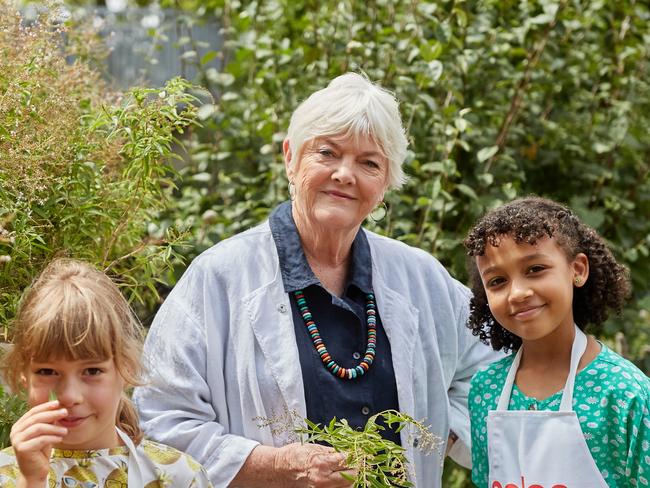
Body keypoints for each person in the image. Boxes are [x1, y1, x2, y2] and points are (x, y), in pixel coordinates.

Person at [133, 72, 501, 488]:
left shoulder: (421, 277)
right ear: (290, 157)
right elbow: (159, 419)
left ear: (385, 183)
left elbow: (499, 371)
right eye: (327, 153)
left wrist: (439, 427)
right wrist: (279, 466)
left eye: (369, 163)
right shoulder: (219, 277)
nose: (345, 174)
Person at [464, 196, 650, 488]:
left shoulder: (624, 392)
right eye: (498, 281)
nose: (518, 293)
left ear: (577, 270)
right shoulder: (485, 388)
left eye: (535, 269)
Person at [0, 258, 213, 488]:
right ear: (23, 375)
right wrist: (30, 480)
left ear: (126, 369)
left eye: (92, 370)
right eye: (47, 371)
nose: (70, 396)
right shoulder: (7, 475)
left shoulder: (177, 476)